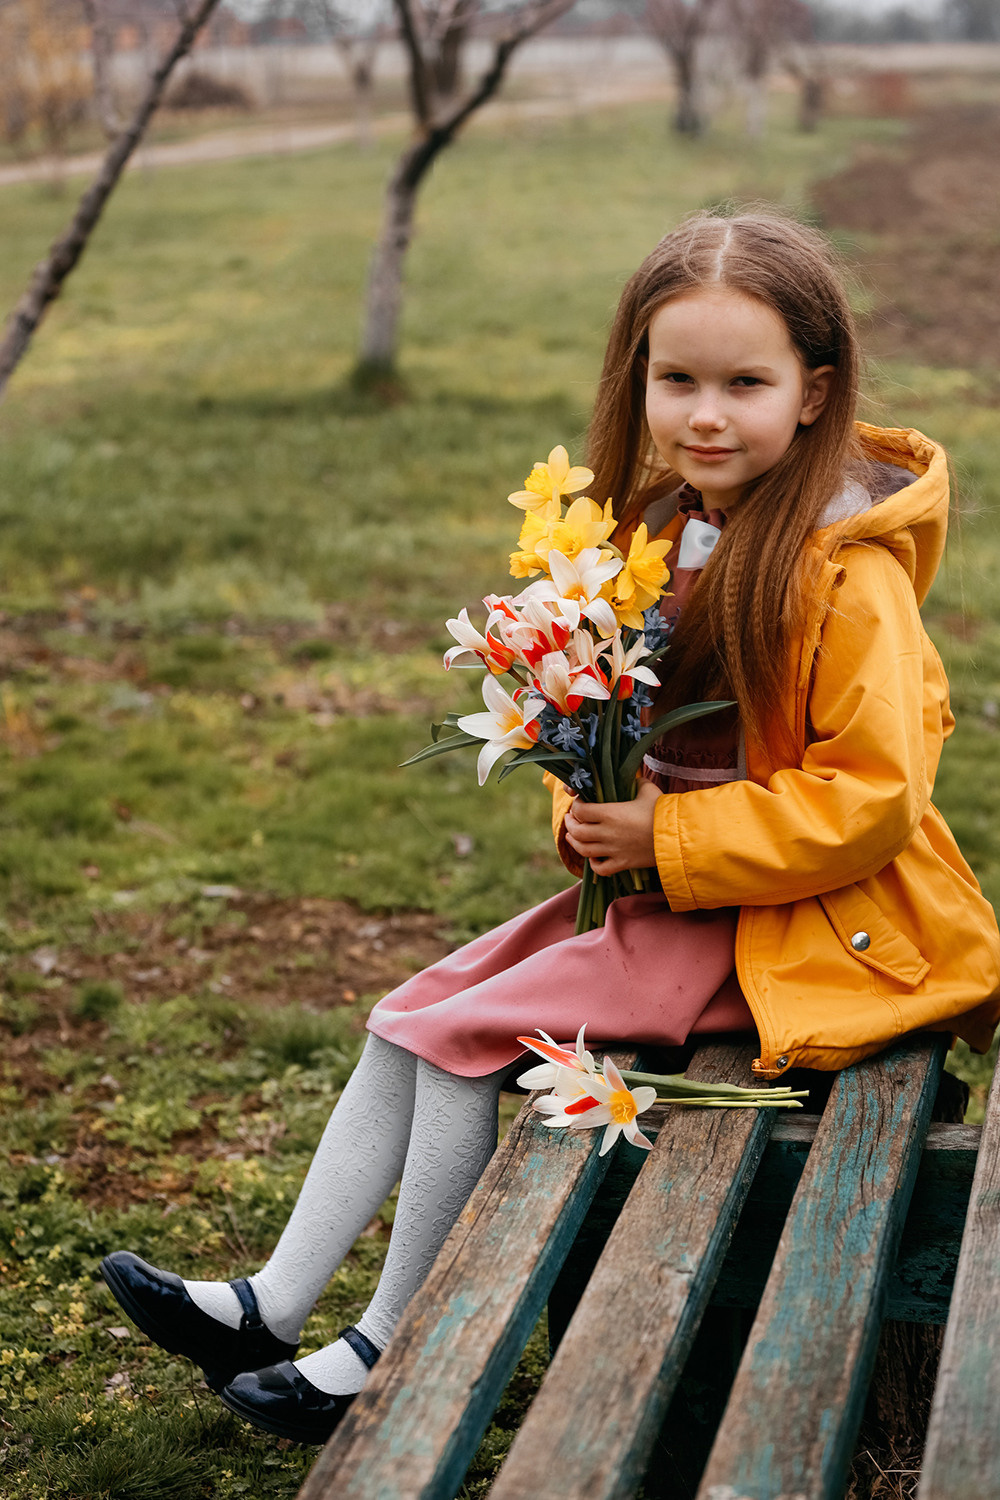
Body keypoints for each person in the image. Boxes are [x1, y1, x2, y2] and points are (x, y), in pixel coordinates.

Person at [100, 210, 1000, 1446]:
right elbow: (596, 719)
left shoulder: (847, 575)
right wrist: (583, 802)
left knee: (463, 1038)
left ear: (813, 392)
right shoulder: (648, 535)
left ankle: (391, 1344)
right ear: (638, 377)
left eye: (745, 384)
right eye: (677, 380)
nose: (706, 415)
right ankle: (269, 1303)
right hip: (678, 899)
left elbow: (870, 797)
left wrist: (666, 840)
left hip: (805, 928)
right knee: (409, 1015)